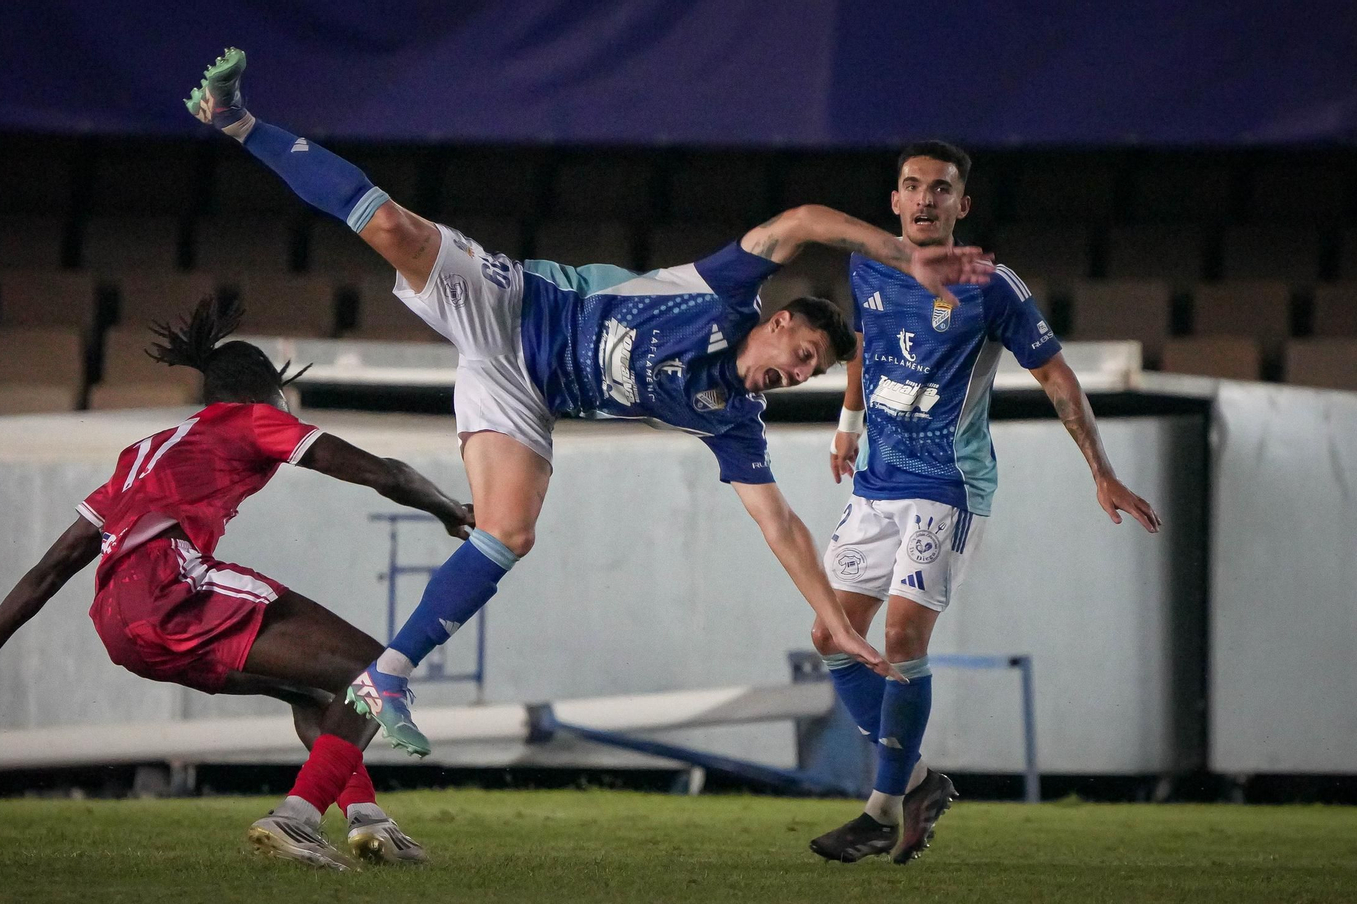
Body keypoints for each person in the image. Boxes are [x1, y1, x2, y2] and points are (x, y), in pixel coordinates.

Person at [185, 48, 997, 757]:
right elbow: (803, 220)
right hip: (517, 308)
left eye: (809, 377)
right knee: (392, 225)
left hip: (521, 391)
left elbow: (779, 523)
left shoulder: (728, 416)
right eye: (803, 357)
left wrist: (837, 622)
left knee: (510, 530)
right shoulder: (720, 292)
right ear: (778, 322)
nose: (794, 376)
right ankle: (239, 120)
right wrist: (904, 256)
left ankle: (386, 677)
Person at [0, 298, 474, 870]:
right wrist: (451, 509)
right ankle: (297, 817)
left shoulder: (141, 455)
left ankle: (369, 823)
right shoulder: (253, 421)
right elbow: (386, 473)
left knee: (314, 692)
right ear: (265, 394)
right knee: (375, 671)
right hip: (169, 587)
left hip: (120, 627)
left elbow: (50, 569)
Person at [808, 141, 1162, 865]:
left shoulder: (988, 283)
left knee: (903, 640)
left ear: (961, 206)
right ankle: (917, 782)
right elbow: (865, 346)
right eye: (913, 187)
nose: (926, 199)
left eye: (941, 189)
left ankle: (879, 809)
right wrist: (848, 428)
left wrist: (1102, 469)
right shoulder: (869, 262)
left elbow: (1059, 379)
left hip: (948, 483)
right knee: (831, 638)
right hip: (877, 479)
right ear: (896, 201)